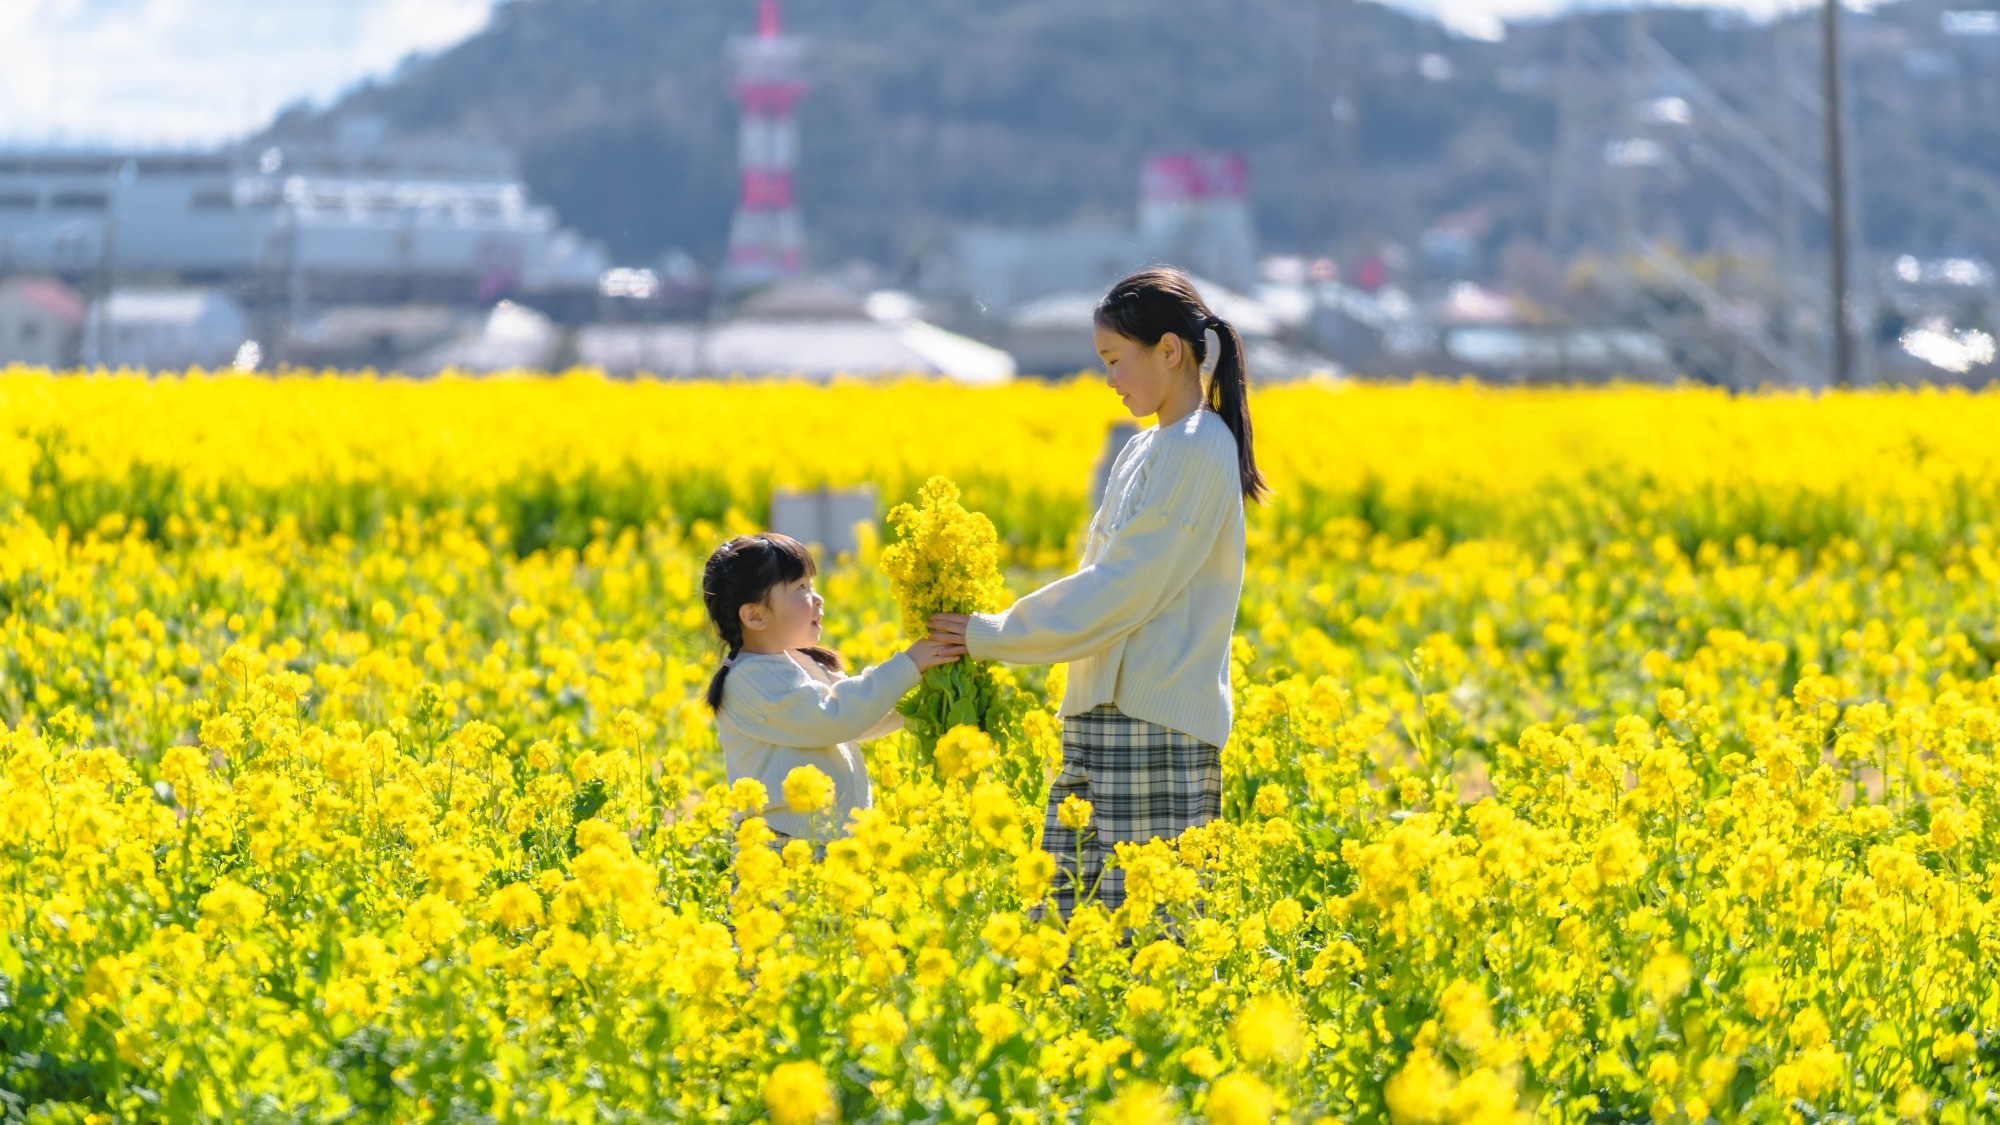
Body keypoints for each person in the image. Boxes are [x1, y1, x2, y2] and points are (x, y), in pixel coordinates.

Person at [930, 266, 1266, 914]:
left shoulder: (1197, 446)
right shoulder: (1149, 446)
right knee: (1065, 935)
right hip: (1105, 719)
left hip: (1152, 725)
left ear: (1170, 351)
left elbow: (1120, 589)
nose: (1108, 379)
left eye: (1115, 360)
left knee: (1145, 945)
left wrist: (993, 633)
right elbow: (1105, 580)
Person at [703, 533, 964, 843]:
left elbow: (859, 719)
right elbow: (835, 718)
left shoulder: (800, 663)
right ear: (754, 615)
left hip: (829, 842)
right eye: (800, 588)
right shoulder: (749, 679)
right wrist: (907, 665)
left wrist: (924, 697)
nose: (817, 598)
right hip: (784, 849)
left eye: (811, 586)